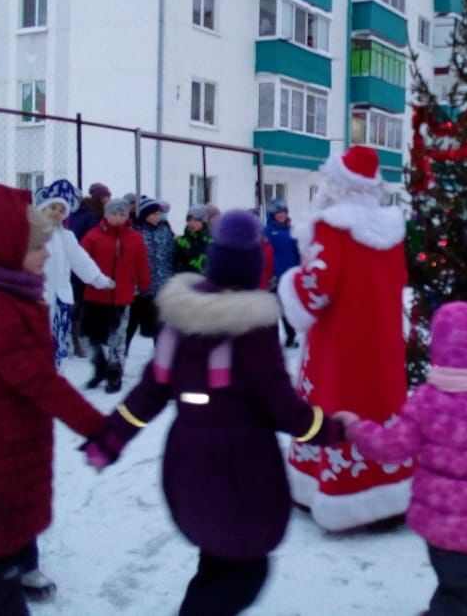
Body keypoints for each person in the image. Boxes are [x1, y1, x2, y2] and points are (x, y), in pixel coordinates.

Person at [82, 210, 346, 615]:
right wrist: (331, 430)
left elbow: (151, 390)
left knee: (218, 558)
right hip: (241, 468)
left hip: (187, 459)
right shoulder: (253, 328)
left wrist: (111, 436)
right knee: (246, 570)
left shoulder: (182, 317)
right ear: (255, 266)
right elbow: (281, 407)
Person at [0, 184, 108, 615]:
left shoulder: (8, 296)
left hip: (3, 454)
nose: (47, 256)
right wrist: (101, 428)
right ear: (4, 249)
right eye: (36, 248)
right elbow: (38, 380)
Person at [342, 302, 467, 616]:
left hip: (434, 528)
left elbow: (391, 446)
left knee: (453, 585)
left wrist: (355, 428)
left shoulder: (426, 401)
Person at [278, 145, 413, 531]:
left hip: (338, 345)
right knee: (380, 401)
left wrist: (291, 286)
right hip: (382, 343)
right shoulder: (393, 230)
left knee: (333, 405)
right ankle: (386, 490)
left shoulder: (332, 226)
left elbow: (317, 288)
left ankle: (330, 490)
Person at [34, 180, 114, 366]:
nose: (57, 212)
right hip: (37, 298)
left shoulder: (67, 237)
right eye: (53, 207)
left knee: (57, 343)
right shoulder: (30, 232)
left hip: (61, 298)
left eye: (62, 210)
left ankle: (54, 377)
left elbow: (81, 260)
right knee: (36, 343)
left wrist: (98, 279)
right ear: (43, 207)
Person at [80, 199, 151, 393]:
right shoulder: (92, 236)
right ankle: (99, 367)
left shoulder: (134, 238)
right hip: (94, 295)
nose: (118, 218)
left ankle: (114, 375)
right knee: (88, 336)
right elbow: (81, 261)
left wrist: (144, 284)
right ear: (106, 214)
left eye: (122, 214)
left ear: (127, 216)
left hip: (121, 296)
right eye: (114, 213)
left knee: (117, 339)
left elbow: (141, 263)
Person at [126, 196, 173, 350]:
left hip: (161, 285)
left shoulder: (165, 230)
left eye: (158, 213)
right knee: (131, 324)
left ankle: (160, 358)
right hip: (139, 288)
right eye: (153, 214)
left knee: (159, 326)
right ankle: (120, 356)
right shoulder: (135, 231)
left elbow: (170, 255)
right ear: (145, 214)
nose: (156, 217)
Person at [263, 199, 301, 348]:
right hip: (273, 276)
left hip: (290, 276)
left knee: (288, 309)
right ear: (273, 214)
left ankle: (291, 337)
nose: (281, 215)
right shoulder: (267, 231)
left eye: (283, 212)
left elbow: (298, 253)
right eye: (278, 212)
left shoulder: (292, 231)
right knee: (272, 310)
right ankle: (271, 340)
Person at [173, 205, 211, 275]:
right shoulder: (180, 241)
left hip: (204, 281)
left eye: (196, 220)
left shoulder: (211, 241)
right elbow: (174, 264)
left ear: (203, 221)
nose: (192, 223)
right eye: (189, 219)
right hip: (184, 282)